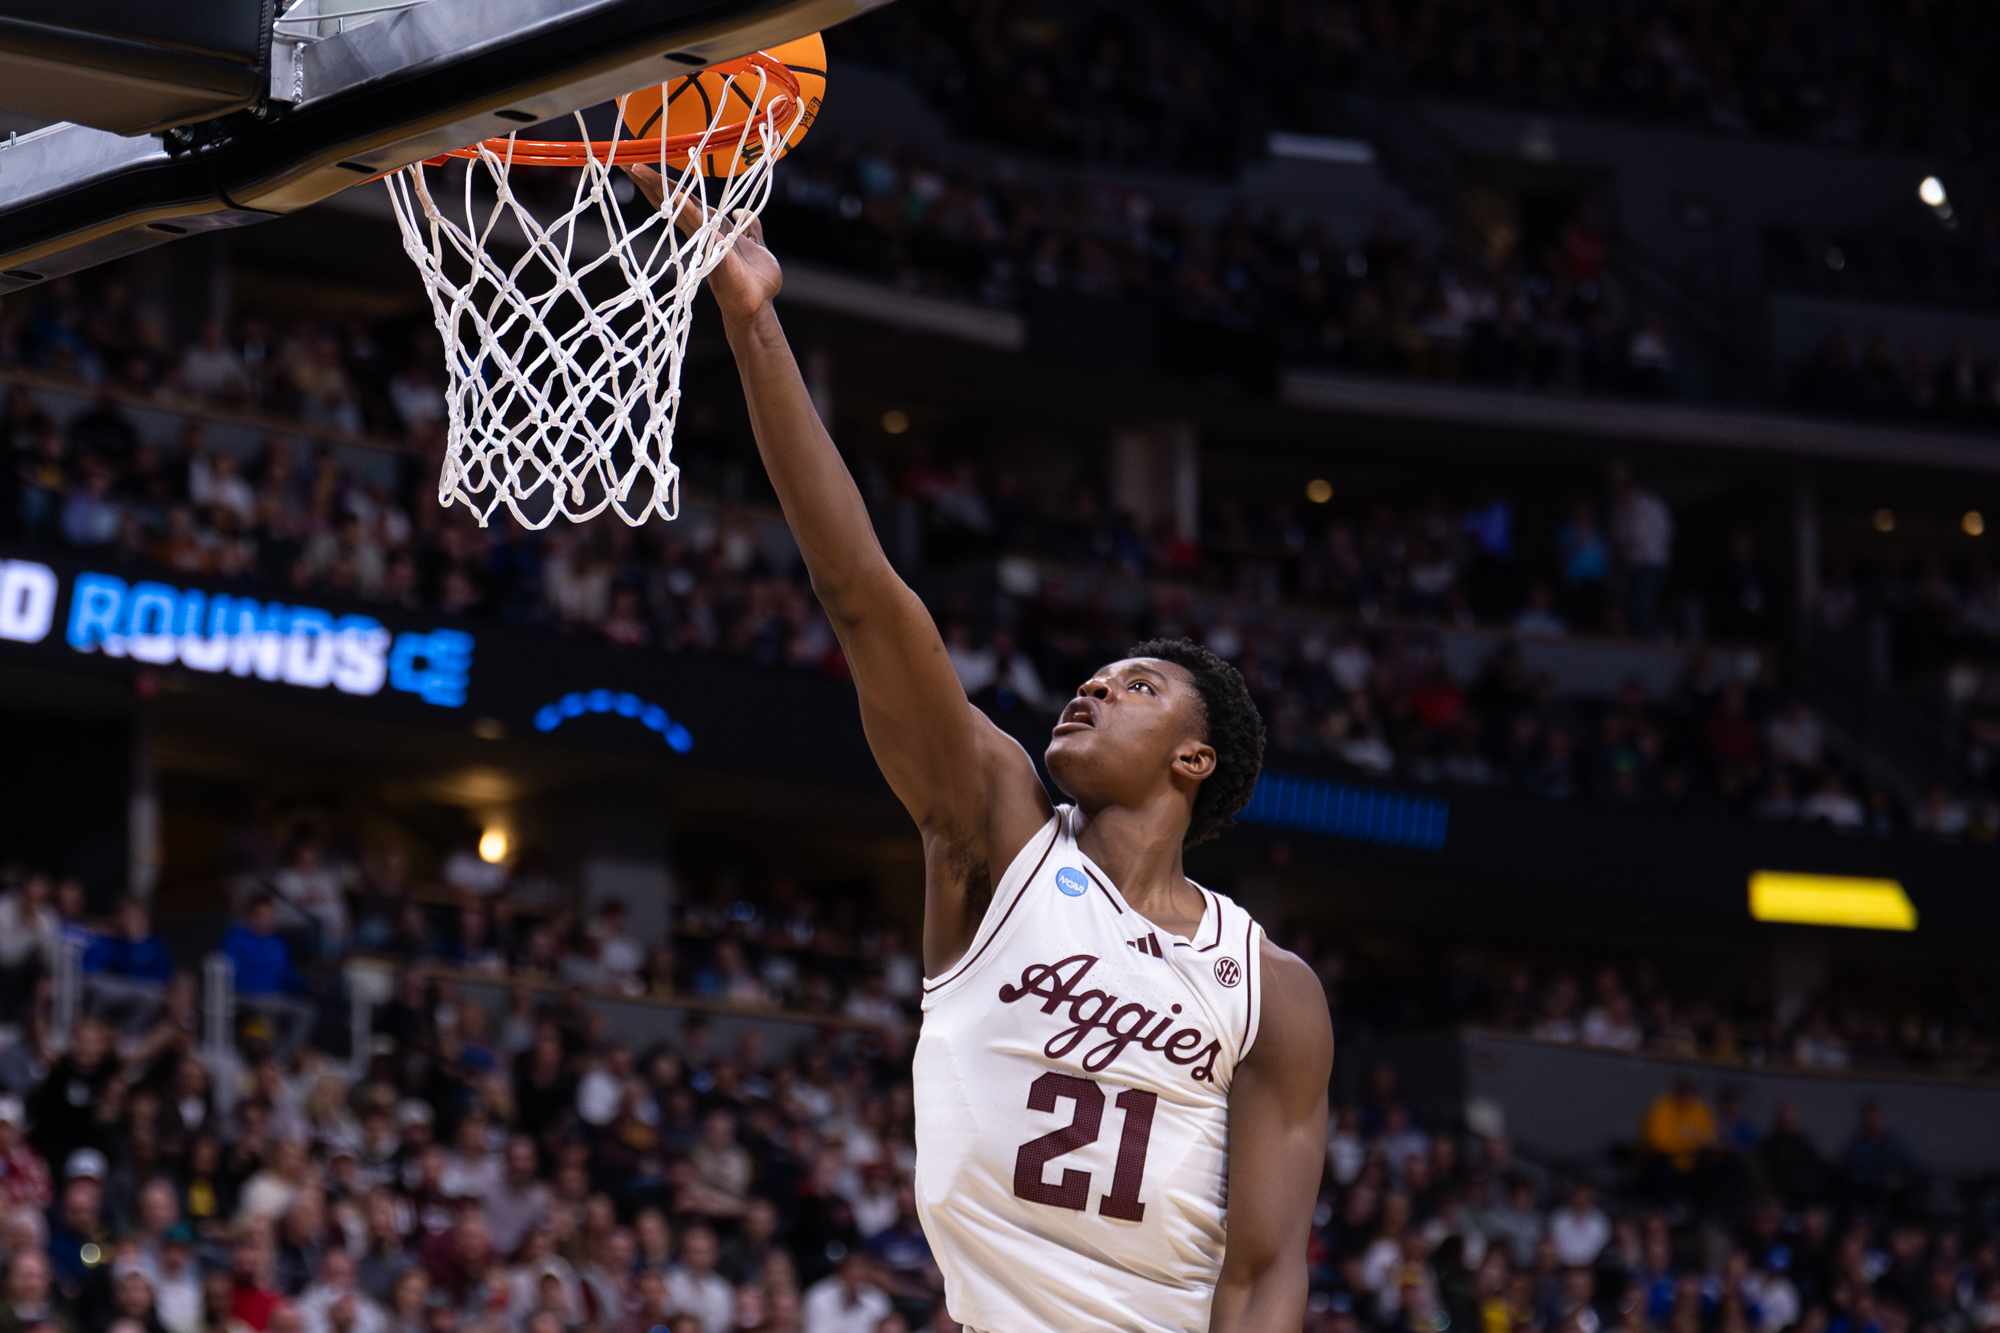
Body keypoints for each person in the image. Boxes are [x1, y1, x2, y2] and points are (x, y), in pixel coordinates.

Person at [630, 169, 1334, 1333]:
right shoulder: (995, 827)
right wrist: (754, 324)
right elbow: (860, 596)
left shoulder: (1272, 991)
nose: (1096, 683)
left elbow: (1261, 1270)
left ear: (1194, 760)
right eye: (1096, 673)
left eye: (1139, 685)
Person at [219, 897, 317, 1057]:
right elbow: (227, 974)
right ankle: (259, 1058)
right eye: (262, 915)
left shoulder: (279, 943)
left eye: (270, 915)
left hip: (275, 997)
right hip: (245, 996)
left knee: (307, 1012)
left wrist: (309, 985)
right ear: (251, 915)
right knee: (265, 1013)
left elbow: (286, 976)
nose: (266, 919)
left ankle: (282, 1056)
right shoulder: (234, 939)